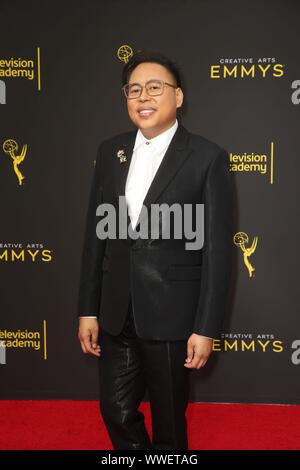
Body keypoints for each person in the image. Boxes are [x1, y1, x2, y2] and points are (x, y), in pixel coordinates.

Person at [78, 50, 233, 450]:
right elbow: (96, 237)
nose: (142, 97)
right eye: (134, 90)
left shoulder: (207, 157)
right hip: (116, 313)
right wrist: (87, 309)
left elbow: (217, 252)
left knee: (169, 425)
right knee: (115, 410)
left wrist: (206, 327)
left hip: (173, 316)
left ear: (177, 97)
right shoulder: (110, 152)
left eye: (154, 87)